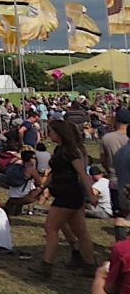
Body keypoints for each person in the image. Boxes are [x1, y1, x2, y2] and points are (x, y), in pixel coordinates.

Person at [33, 118, 98, 279]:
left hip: (68, 194)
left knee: (51, 228)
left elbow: (82, 174)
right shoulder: (59, 150)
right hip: (66, 193)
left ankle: (46, 266)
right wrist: (42, 187)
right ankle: (90, 266)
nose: (50, 134)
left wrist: (90, 195)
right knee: (81, 232)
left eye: (52, 131)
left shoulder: (70, 152)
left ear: (60, 134)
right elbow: (54, 174)